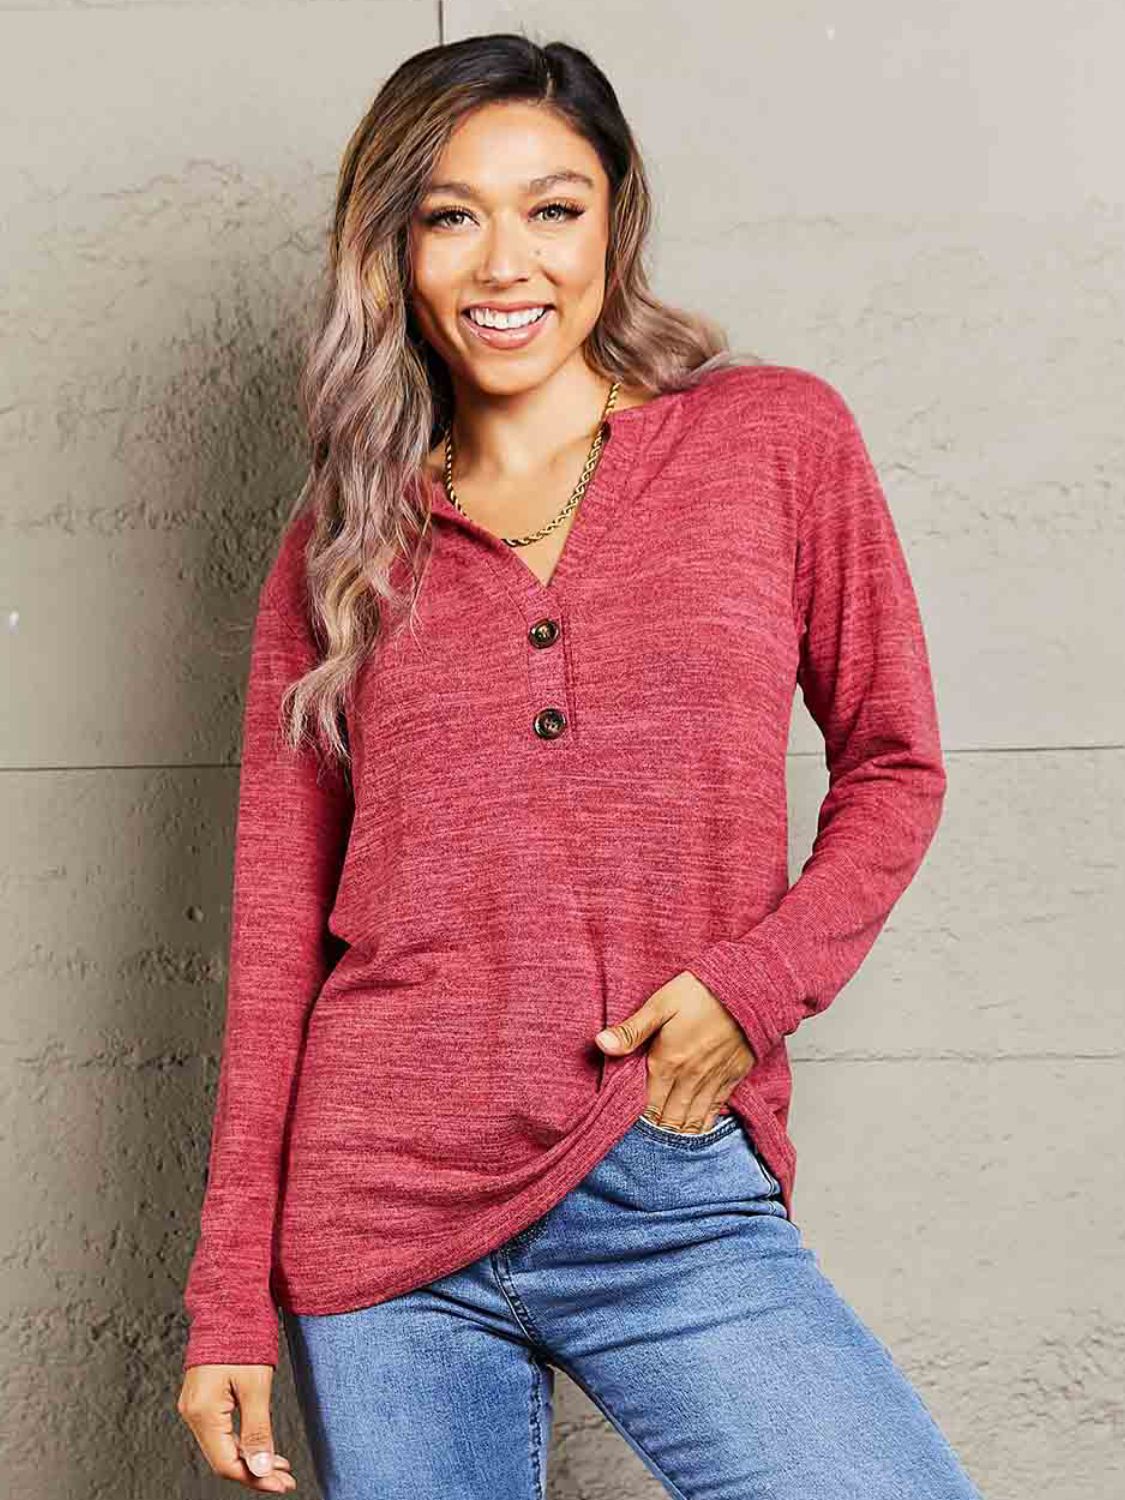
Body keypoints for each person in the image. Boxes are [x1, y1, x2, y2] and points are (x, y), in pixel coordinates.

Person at [176, 32, 985, 1500]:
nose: (508, 264)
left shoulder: (770, 440)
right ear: (394, 247)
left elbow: (894, 764)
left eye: (552, 208)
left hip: (663, 1176)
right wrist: (227, 1295)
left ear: (617, 219)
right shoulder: (341, 545)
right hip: (379, 1219)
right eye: (451, 215)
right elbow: (277, 934)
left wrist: (751, 989)